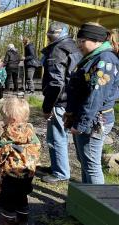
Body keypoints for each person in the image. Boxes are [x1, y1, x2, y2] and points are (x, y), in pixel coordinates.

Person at [65, 22, 119, 184]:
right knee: (86, 163)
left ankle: (98, 204)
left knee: (91, 166)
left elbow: (96, 96)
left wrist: (81, 124)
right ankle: (86, 199)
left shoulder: (105, 60)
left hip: (94, 121)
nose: (78, 45)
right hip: (86, 118)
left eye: (82, 41)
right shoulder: (93, 58)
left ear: (95, 40)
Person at [0, 98, 41, 225]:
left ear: (12, 120)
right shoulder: (31, 132)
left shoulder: (6, 136)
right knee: (22, 198)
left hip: (10, 175)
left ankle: (7, 221)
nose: (3, 121)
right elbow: (37, 149)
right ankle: (22, 221)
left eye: (4, 118)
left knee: (8, 202)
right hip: (28, 173)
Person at [40, 22, 82, 183]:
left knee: (56, 137)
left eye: (49, 35)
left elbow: (55, 83)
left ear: (54, 35)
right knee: (60, 136)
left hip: (60, 101)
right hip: (70, 100)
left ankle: (60, 172)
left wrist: (47, 107)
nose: (48, 38)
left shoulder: (57, 51)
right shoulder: (73, 47)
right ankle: (57, 166)